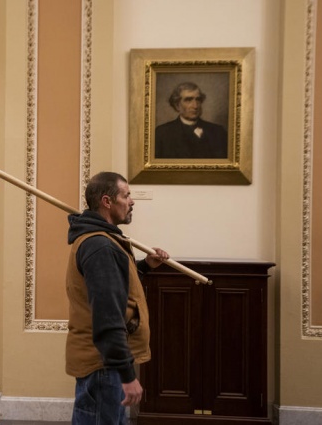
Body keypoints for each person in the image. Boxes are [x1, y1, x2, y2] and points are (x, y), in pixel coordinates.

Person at [65, 171, 169, 424]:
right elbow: (108, 314)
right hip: (104, 365)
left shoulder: (104, 241)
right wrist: (126, 374)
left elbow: (115, 288)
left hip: (105, 362)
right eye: (127, 195)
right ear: (107, 201)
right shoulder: (100, 246)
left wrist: (144, 266)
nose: (131, 201)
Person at [155, 81, 228, 159]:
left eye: (198, 100)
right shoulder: (162, 133)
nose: (195, 106)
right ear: (177, 105)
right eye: (188, 100)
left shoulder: (219, 132)